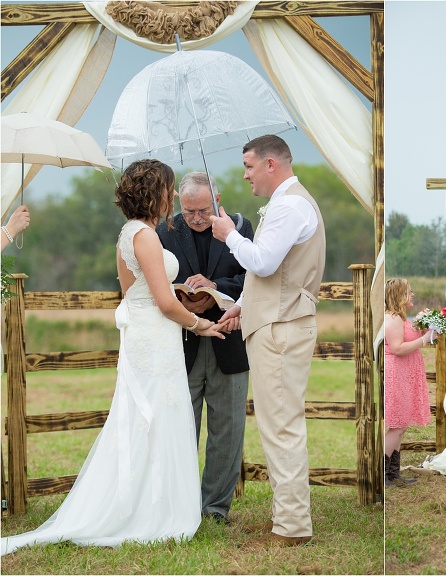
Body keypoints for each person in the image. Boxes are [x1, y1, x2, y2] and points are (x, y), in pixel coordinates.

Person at [1, 159, 225, 556]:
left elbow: (134, 293)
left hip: (142, 334)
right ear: (155, 193)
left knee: (142, 418)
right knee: (156, 417)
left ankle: (143, 501)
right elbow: (163, 303)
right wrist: (200, 324)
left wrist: (176, 303)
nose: (173, 196)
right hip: (155, 338)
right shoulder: (147, 237)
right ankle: (152, 511)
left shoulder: (128, 233)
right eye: (169, 189)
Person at [210, 134, 324, 548]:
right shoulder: (287, 204)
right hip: (277, 322)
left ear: (271, 164)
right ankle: (285, 515)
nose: (245, 175)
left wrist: (228, 235)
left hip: (281, 328)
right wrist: (242, 303)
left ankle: (292, 528)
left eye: (249, 166)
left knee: (281, 427)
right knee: (278, 424)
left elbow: (261, 260)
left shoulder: (290, 205)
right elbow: (268, 274)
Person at [157, 172, 253, 525]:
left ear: (217, 198)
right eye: (188, 211)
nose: (196, 218)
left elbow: (254, 277)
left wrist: (215, 286)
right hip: (182, 343)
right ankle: (181, 507)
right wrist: (185, 298)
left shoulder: (239, 227)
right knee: (181, 428)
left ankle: (214, 510)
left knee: (227, 432)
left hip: (230, 341)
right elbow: (153, 281)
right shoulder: (163, 231)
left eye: (202, 210)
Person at [383, 278, 434, 487]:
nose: (412, 295)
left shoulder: (401, 318)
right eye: (409, 292)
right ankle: (382, 474)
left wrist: (426, 328)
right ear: (399, 295)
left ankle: (394, 473)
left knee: (401, 426)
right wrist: (424, 339)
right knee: (396, 426)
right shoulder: (392, 318)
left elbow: (407, 338)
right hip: (397, 374)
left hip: (406, 374)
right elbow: (396, 347)